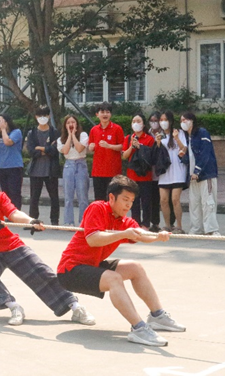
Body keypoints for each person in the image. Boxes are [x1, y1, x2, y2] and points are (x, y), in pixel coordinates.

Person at [0, 162, 95, 326]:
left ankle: (75, 307)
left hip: (11, 245)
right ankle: (14, 307)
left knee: (41, 270)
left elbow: (14, 213)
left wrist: (30, 221)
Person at [56, 175, 185, 347]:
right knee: (113, 278)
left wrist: (157, 236)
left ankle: (157, 316)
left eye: (131, 201)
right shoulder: (97, 208)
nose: (128, 205)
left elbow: (139, 233)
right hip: (70, 270)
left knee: (135, 267)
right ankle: (139, 329)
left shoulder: (123, 220)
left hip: (92, 264)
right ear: (111, 197)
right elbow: (93, 239)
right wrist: (123, 234)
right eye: (125, 199)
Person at [181, 112, 220, 236]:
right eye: (181, 120)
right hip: (192, 177)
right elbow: (190, 158)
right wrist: (182, 157)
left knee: (208, 202)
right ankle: (196, 229)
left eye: (186, 119)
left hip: (206, 174)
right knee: (194, 203)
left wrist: (197, 170)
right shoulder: (186, 137)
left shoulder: (202, 133)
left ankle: (212, 230)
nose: (183, 122)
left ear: (192, 120)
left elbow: (205, 153)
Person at [26, 106, 61, 225]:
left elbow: (55, 150)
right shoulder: (32, 133)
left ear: (49, 116)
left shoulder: (55, 132)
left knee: (54, 197)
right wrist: (47, 149)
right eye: (40, 116)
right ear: (36, 117)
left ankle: (55, 221)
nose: (42, 118)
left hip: (51, 170)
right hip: (36, 171)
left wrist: (41, 148)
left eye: (45, 115)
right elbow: (31, 151)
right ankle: (33, 221)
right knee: (34, 197)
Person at [155, 111, 187, 233]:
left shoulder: (178, 132)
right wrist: (157, 143)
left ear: (171, 121)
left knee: (175, 199)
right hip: (164, 172)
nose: (163, 122)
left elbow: (184, 148)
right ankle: (167, 225)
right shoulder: (160, 135)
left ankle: (179, 226)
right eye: (161, 120)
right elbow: (157, 155)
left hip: (177, 171)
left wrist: (176, 138)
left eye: (165, 119)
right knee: (163, 199)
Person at [121, 112, 155, 230]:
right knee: (133, 201)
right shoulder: (128, 138)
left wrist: (141, 147)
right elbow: (124, 156)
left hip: (145, 175)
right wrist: (132, 146)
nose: (136, 124)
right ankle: (135, 223)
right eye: (134, 121)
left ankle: (145, 224)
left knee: (146, 201)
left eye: (138, 121)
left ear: (143, 124)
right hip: (132, 175)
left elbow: (151, 156)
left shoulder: (149, 139)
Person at [57, 114, 89, 226]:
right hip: (68, 165)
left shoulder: (83, 135)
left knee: (83, 196)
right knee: (68, 197)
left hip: (81, 165)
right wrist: (69, 136)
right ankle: (68, 222)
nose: (71, 124)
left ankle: (83, 222)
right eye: (68, 122)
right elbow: (65, 151)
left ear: (77, 124)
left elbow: (80, 149)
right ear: (65, 125)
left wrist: (74, 135)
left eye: (73, 122)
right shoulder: (60, 139)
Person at [88, 102, 124, 201]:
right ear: (97, 114)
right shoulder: (94, 130)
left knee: (113, 200)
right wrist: (90, 147)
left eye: (107, 112)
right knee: (99, 200)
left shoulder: (117, 129)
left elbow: (122, 146)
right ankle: (100, 217)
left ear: (110, 114)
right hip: (98, 171)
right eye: (102, 112)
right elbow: (91, 148)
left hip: (113, 171)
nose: (105, 114)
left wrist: (109, 146)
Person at [0, 114, 24, 209]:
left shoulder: (16, 132)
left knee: (14, 192)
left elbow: (8, 142)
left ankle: (16, 212)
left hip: (14, 167)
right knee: (5, 192)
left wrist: (4, 130)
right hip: (2, 167)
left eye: (0, 121)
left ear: (6, 122)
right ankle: (8, 212)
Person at [147, 112, 164, 232]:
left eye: (156, 120)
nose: (154, 123)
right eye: (151, 120)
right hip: (149, 173)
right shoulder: (146, 134)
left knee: (161, 199)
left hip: (162, 174)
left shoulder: (164, 134)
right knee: (151, 199)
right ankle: (153, 222)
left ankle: (165, 223)